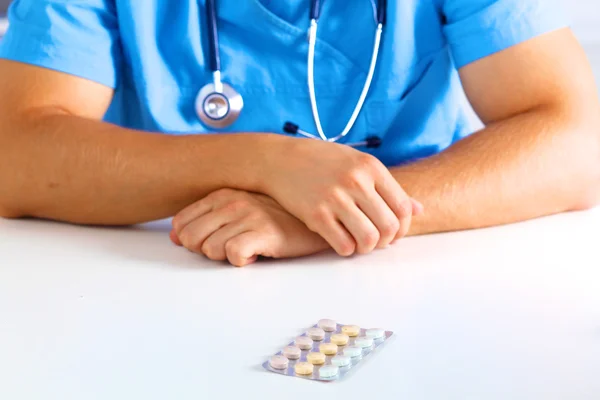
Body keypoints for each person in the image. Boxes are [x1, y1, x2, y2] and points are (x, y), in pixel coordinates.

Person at [0, 0, 598, 267]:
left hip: (412, 270)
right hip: (166, 268)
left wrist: (330, 218)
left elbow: (578, 141)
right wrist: (264, 163)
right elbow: (16, 155)